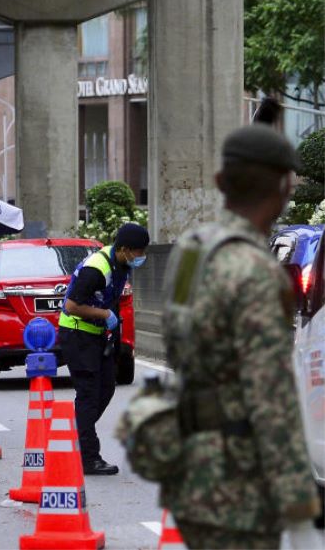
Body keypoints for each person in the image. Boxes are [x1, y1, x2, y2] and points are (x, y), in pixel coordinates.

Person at [160, 124, 320, 549]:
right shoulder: (259, 272)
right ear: (286, 187)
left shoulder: (192, 249)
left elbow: (177, 340)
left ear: (219, 182)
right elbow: (271, 396)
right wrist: (301, 518)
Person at [58, 222, 149, 475]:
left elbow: (113, 301)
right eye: (139, 252)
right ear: (125, 249)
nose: (141, 257)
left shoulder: (121, 265)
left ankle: (76, 435)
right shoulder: (96, 269)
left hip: (98, 335)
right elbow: (72, 306)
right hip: (77, 333)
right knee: (88, 394)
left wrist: (116, 339)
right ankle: (88, 457)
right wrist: (104, 313)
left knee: (107, 387)